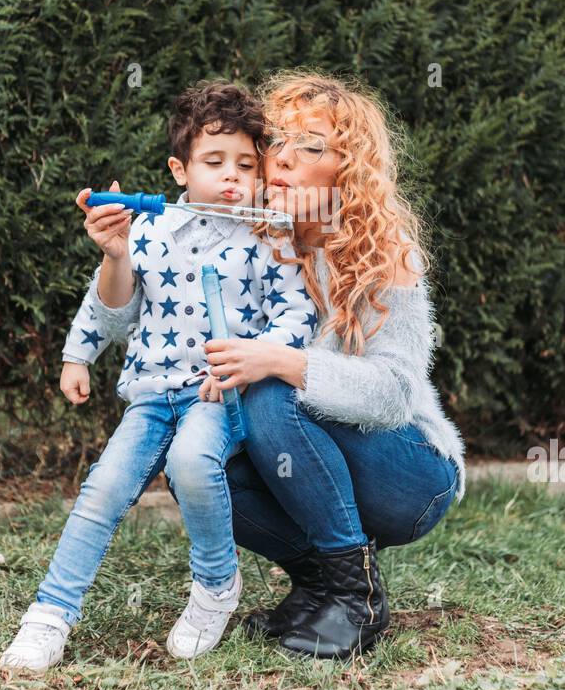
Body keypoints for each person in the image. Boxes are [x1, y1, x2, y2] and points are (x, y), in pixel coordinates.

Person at [0, 81, 312, 671]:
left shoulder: (270, 234)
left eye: (246, 164)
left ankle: (217, 584)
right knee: (103, 489)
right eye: (213, 162)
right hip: (151, 393)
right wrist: (85, 332)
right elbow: (113, 309)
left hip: (217, 394)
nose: (231, 177)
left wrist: (252, 360)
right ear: (178, 169)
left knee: (191, 463)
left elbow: (297, 315)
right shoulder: (149, 229)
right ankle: (49, 616)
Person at [199, 70, 467, 660]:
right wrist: (118, 253)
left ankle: (358, 598)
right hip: (315, 458)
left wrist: (285, 362)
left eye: (312, 147)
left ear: (347, 169)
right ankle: (321, 583)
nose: (284, 160)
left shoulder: (385, 252)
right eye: (278, 142)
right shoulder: (255, 242)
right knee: (197, 464)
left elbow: (396, 395)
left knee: (274, 390)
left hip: (410, 474)